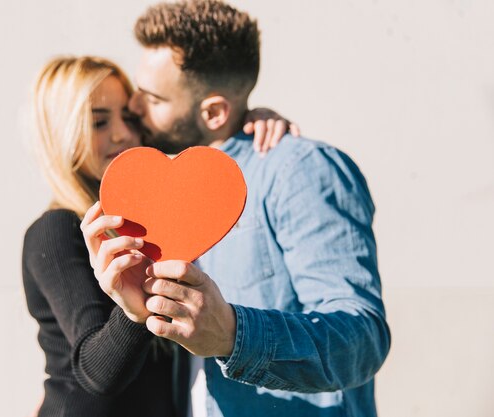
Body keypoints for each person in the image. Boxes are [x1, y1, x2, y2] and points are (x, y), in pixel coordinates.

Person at [81, 1, 391, 417]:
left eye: (151, 97)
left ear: (213, 112)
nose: (134, 107)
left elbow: (362, 339)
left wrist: (232, 334)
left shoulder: (298, 170)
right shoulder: (157, 194)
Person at [22, 55, 294, 417]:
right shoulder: (58, 229)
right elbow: (95, 373)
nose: (122, 133)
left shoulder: (148, 221)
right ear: (61, 133)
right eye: (99, 122)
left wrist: (248, 120)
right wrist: (134, 314)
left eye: (129, 118)